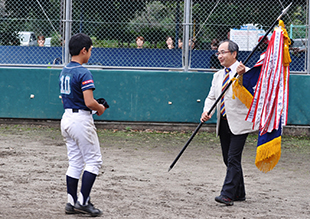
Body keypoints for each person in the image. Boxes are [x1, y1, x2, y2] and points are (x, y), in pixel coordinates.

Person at [200, 39, 257, 206]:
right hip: (223, 122)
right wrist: (207, 111)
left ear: (234, 53)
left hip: (240, 123)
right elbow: (212, 97)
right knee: (228, 158)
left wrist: (242, 76)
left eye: (223, 52)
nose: (219, 56)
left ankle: (227, 194)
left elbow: (252, 94)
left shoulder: (246, 72)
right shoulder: (218, 76)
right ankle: (240, 192)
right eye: (218, 53)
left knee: (233, 158)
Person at [59, 33, 106, 216]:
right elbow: (89, 102)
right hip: (80, 121)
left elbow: (67, 98)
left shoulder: (65, 70)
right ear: (83, 50)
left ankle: (71, 202)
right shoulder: (83, 72)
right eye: (90, 50)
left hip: (67, 119)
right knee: (94, 161)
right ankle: (83, 202)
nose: (90, 53)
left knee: (76, 161)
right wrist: (100, 108)